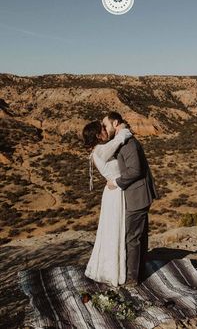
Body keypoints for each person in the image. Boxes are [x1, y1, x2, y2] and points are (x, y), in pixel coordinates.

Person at [102, 112, 158, 287]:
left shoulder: (128, 143)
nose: (104, 128)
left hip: (137, 196)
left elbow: (135, 171)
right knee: (138, 235)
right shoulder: (123, 140)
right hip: (137, 194)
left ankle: (132, 278)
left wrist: (116, 183)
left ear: (115, 122)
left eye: (105, 125)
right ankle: (138, 271)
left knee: (132, 237)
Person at [82, 120, 132, 287]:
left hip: (113, 192)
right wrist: (123, 129)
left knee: (111, 230)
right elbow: (120, 139)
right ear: (98, 135)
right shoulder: (101, 150)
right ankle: (113, 271)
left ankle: (113, 267)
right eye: (103, 128)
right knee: (115, 230)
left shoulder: (98, 151)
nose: (105, 130)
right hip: (115, 194)